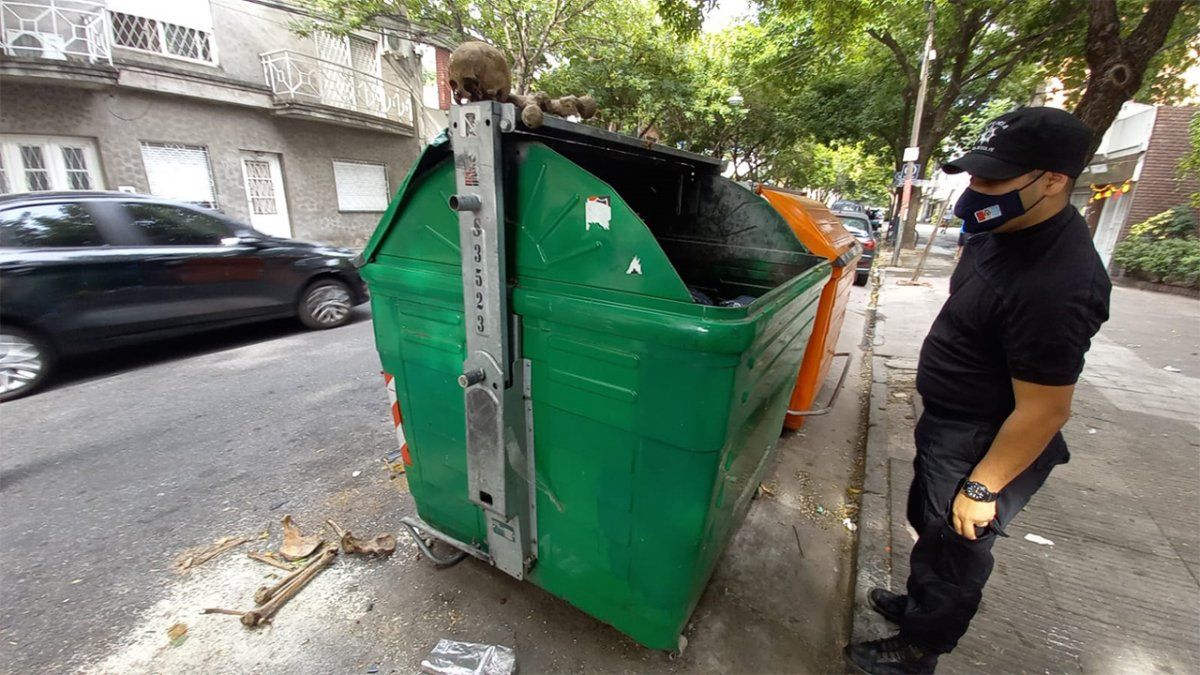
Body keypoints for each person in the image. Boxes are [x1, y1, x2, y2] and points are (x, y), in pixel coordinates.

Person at [844, 107, 1111, 674]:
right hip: (948, 423)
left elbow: (1047, 408)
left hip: (983, 441)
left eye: (992, 181)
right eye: (974, 177)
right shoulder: (1005, 230)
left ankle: (919, 647)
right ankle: (917, 604)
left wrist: (984, 487)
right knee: (929, 523)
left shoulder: (1059, 283)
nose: (975, 192)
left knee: (956, 551)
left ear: (1053, 180)